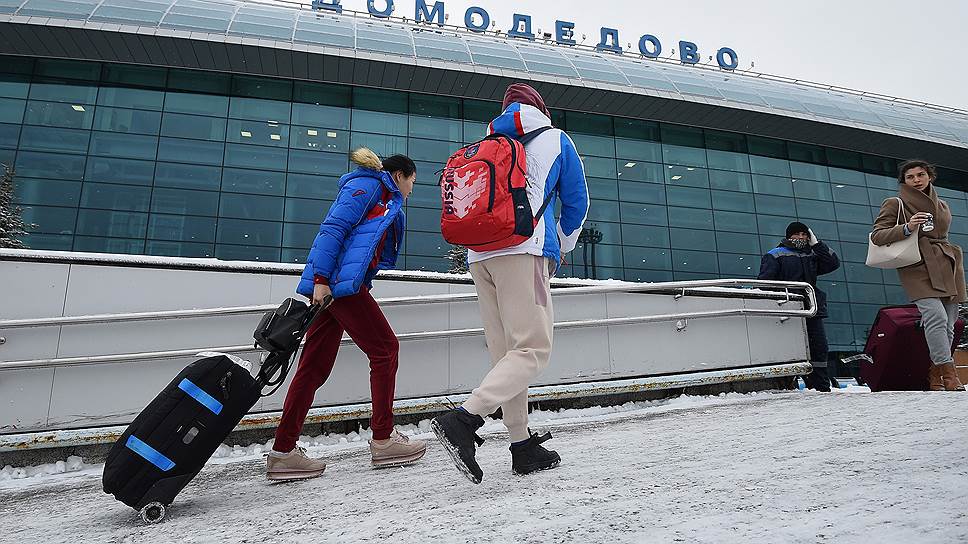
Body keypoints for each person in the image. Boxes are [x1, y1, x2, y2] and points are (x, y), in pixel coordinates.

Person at [432, 83, 589, 484]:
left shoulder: (485, 143)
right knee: (533, 349)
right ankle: (465, 419)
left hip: (479, 255)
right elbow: (576, 203)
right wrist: (563, 243)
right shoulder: (556, 139)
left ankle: (521, 446)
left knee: (508, 356)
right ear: (540, 108)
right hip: (523, 253)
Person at [266, 148, 427, 481]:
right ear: (399, 176)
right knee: (385, 349)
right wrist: (322, 281)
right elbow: (333, 229)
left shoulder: (380, 193)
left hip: (336, 287)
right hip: (338, 286)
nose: (412, 191)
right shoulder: (369, 187)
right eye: (412, 183)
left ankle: (283, 453)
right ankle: (383, 439)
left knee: (313, 369)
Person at [871, 160, 966, 391]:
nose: (916, 180)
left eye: (920, 175)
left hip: (947, 263)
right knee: (936, 317)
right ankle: (949, 373)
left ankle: (934, 375)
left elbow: (940, 234)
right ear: (903, 181)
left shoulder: (942, 204)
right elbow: (877, 235)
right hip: (917, 265)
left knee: (950, 324)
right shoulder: (895, 203)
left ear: (930, 177)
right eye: (910, 176)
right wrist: (907, 227)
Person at [758, 221, 841, 392]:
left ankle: (821, 387)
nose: (801, 237)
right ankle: (788, 384)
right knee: (788, 348)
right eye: (797, 234)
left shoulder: (812, 254)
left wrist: (817, 245)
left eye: (804, 234)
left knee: (819, 347)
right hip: (787, 310)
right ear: (789, 236)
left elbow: (833, 263)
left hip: (811, 309)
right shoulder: (776, 255)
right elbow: (765, 283)